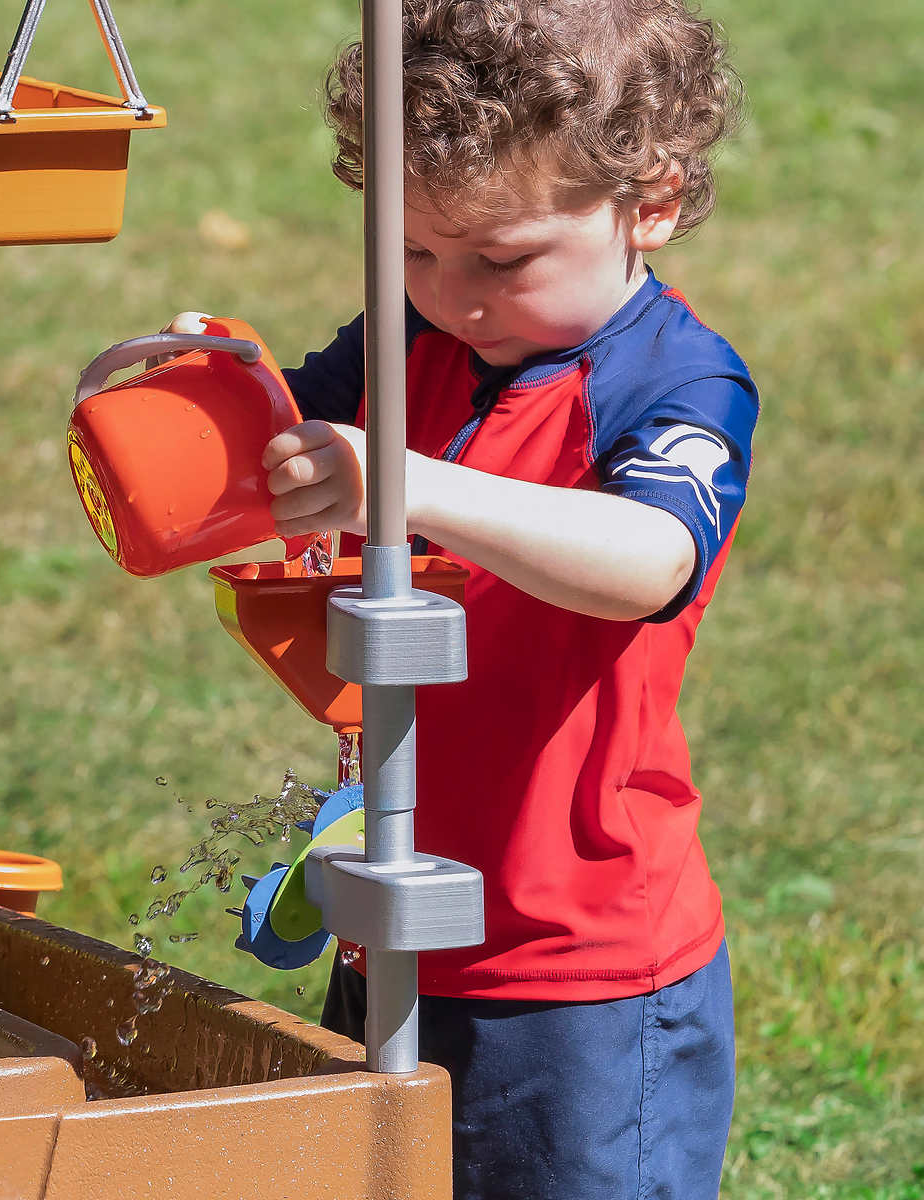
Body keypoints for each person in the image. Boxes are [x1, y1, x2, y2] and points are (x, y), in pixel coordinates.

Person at [171, 1, 757, 1195]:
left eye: (502, 260)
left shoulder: (671, 379)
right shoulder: (414, 337)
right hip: (391, 898)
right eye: (414, 253)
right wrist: (193, 396)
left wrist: (407, 482)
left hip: (577, 965)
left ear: (650, 202)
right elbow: (276, 443)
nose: (453, 296)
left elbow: (649, 558)